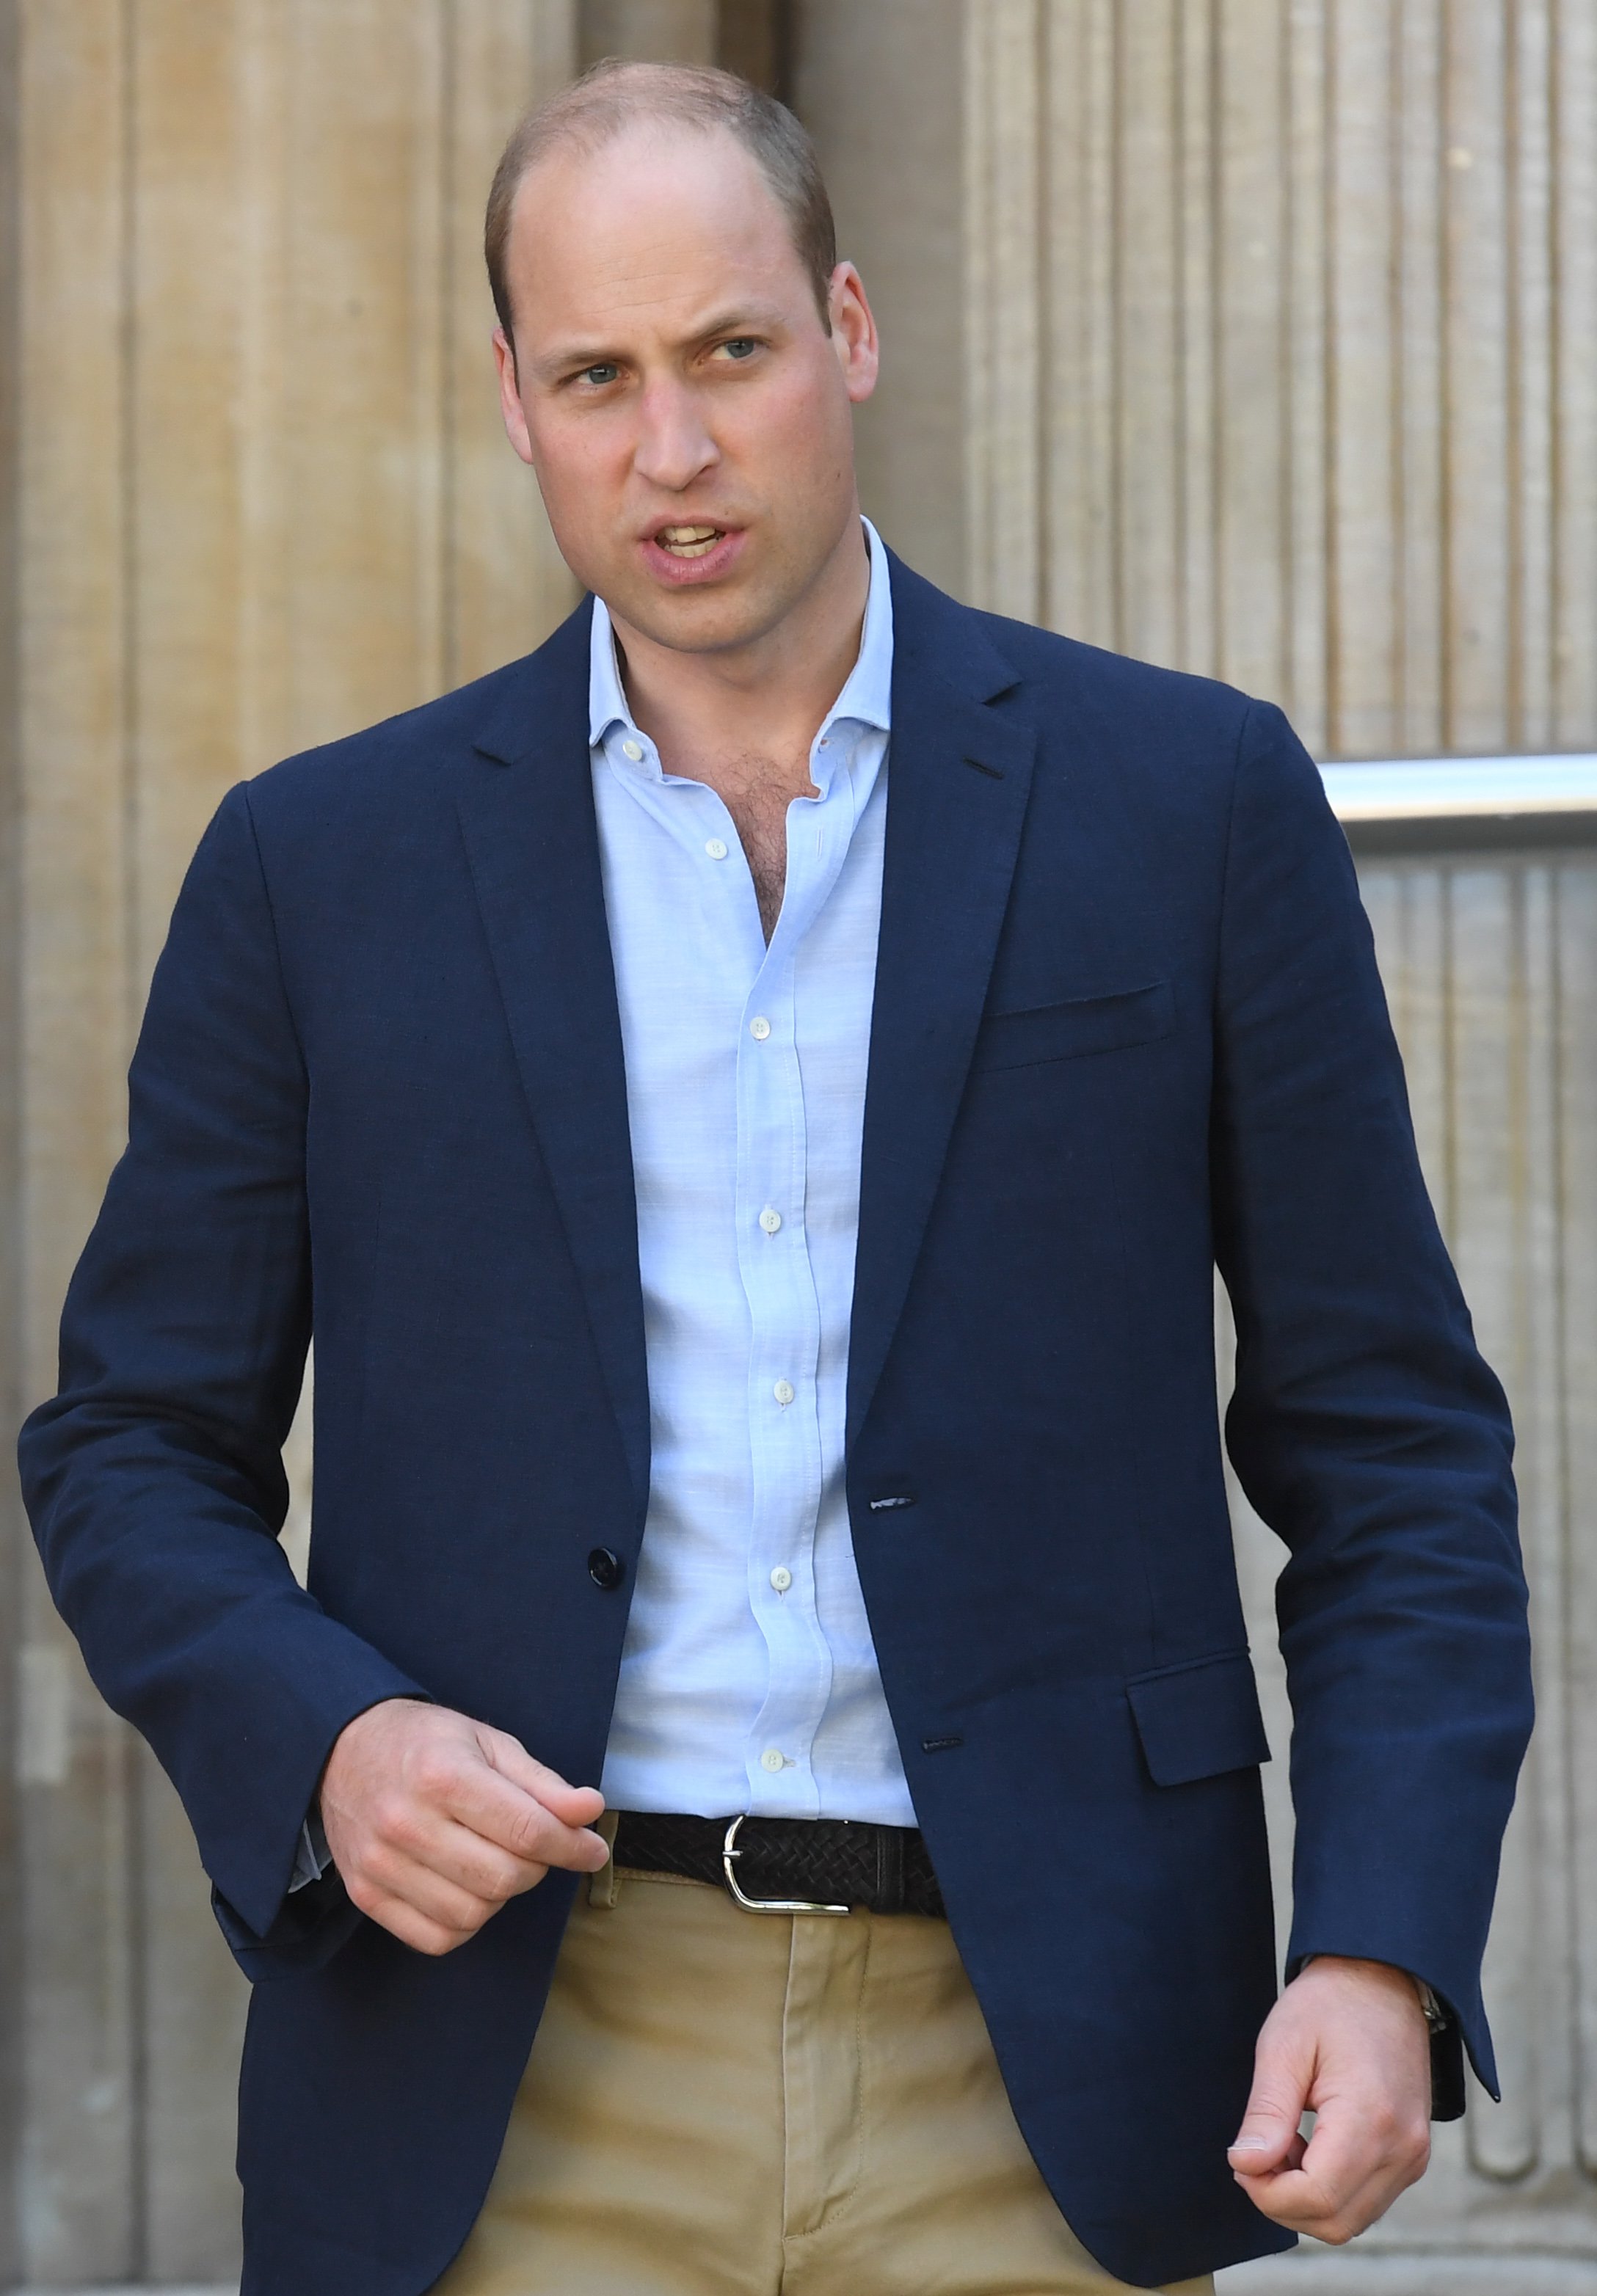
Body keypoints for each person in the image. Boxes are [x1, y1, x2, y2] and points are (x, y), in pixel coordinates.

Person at [18, 57, 1531, 2296]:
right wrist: (322, 1737)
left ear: (847, 325)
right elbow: (133, 1445)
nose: (676, 451)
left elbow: (1393, 1447)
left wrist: (1384, 1947)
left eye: (729, 351)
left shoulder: (1187, 804)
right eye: (598, 377)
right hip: (504, 2076)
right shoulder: (315, 871)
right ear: (511, 397)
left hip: (1040, 2072)